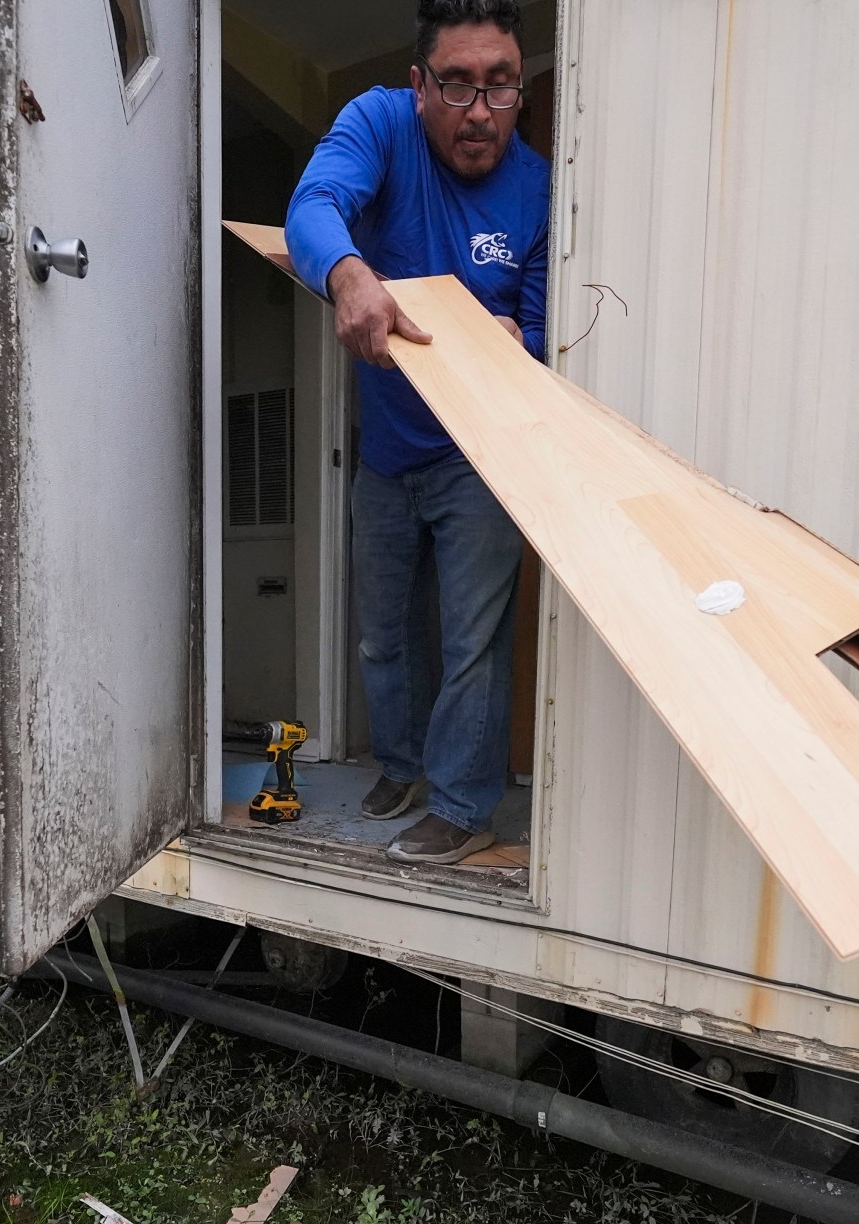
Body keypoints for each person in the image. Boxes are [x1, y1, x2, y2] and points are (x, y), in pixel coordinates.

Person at [284, 0, 548, 865]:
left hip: (481, 453)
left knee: (473, 640)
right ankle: (401, 766)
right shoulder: (378, 124)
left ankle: (465, 804)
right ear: (419, 84)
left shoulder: (540, 188)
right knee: (382, 634)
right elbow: (314, 204)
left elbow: (544, 330)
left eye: (501, 86)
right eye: (458, 85)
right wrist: (350, 273)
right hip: (388, 452)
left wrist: (519, 346)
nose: (481, 111)